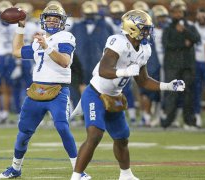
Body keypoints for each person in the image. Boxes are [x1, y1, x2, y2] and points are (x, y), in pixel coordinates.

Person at [70, 10, 185, 180]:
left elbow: (143, 81)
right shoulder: (118, 42)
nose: (147, 32)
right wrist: (124, 71)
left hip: (114, 97)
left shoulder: (145, 48)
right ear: (132, 28)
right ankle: (77, 176)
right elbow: (103, 70)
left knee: (122, 138)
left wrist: (168, 86)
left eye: (147, 28)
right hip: (95, 93)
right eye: (144, 28)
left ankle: (126, 174)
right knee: (95, 134)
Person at [0, 4, 90, 179]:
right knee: (24, 131)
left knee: (62, 126)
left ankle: (79, 171)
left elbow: (64, 61)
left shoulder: (65, 36)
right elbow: (16, 51)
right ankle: (15, 168)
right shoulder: (41, 39)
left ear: (63, 22)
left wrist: (46, 46)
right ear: (43, 20)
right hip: (36, 90)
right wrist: (21, 28)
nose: (52, 21)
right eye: (48, 18)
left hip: (58, 90)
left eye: (55, 18)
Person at [161, 4, 200, 129]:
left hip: (187, 66)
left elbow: (197, 38)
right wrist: (184, 43)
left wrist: (184, 31)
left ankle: (189, 121)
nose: (177, 15)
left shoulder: (190, 27)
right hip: (172, 66)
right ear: (172, 14)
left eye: (180, 12)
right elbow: (166, 44)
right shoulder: (168, 28)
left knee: (188, 93)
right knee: (172, 93)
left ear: (184, 13)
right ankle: (169, 120)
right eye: (175, 12)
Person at [193, 8, 205, 127]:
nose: (201, 19)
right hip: (196, 62)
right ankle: (197, 116)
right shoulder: (193, 27)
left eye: (203, 16)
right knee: (197, 91)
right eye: (199, 17)